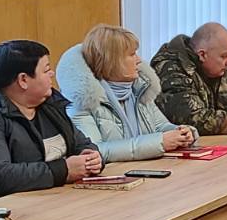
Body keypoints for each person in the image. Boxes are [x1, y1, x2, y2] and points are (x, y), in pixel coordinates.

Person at [0, 39, 104, 202]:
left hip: (62, 199)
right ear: (23, 80)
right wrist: (63, 170)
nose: (52, 74)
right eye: (46, 70)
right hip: (17, 208)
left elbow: (81, 143)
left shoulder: (50, 102)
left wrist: (91, 158)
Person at [57, 24, 199, 161]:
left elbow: (159, 127)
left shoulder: (140, 89)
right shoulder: (81, 102)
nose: (138, 60)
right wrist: (159, 143)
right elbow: (95, 150)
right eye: (132, 54)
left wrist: (180, 132)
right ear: (111, 61)